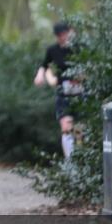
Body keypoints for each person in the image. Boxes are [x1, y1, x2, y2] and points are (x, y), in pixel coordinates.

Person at [33, 21, 82, 159]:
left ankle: (80, 161)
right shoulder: (52, 50)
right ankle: (70, 162)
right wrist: (41, 75)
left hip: (80, 93)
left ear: (71, 32)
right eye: (59, 35)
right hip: (63, 92)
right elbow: (45, 65)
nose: (63, 37)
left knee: (79, 130)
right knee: (66, 128)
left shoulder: (80, 48)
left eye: (65, 34)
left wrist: (82, 77)